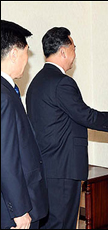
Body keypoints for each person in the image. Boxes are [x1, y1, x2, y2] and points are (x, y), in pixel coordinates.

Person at [25, 27, 108, 229]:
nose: (74, 55)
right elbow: (83, 114)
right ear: (63, 51)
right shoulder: (62, 83)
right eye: (74, 48)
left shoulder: (36, 82)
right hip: (63, 166)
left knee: (49, 221)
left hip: (46, 165)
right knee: (63, 222)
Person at [1, 20, 48, 229]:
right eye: (26, 52)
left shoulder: (8, 90)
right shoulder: (4, 97)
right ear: (13, 54)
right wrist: (19, 210)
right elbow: (6, 158)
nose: (27, 60)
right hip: (13, 210)